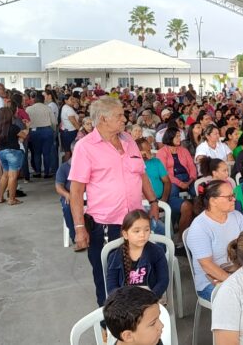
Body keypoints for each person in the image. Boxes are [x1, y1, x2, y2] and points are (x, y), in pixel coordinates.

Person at [69, 97, 161, 310]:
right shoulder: (85, 147)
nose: (124, 119)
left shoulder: (128, 140)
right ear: (103, 119)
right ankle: (108, 324)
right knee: (107, 277)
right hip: (105, 224)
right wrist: (79, 227)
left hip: (135, 222)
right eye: (119, 115)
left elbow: (142, 174)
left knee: (137, 273)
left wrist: (154, 201)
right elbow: (76, 190)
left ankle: (135, 319)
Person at [184, 180, 243, 301]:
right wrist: (235, 282)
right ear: (213, 201)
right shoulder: (200, 227)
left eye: (233, 195)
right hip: (210, 281)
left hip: (237, 272)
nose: (234, 199)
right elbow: (207, 266)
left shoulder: (237, 216)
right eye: (229, 197)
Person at [106, 209, 169, 299]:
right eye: (137, 231)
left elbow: (163, 281)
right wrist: (124, 300)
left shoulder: (157, 252)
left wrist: (151, 297)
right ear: (125, 234)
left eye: (147, 230)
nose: (142, 235)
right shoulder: (115, 256)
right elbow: (111, 287)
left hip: (151, 299)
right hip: (125, 302)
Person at [0, 106, 28, 205]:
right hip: (13, 152)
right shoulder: (14, 127)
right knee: (13, 176)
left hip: (2, 153)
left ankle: (0, 197)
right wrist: (27, 127)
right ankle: (11, 199)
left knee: (5, 175)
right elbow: (24, 136)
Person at [25, 92, 57, 178]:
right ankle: (47, 173)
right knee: (47, 153)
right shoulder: (48, 108)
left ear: (34, 100)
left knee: (36, 153)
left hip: (34, 132)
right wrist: (53, 130)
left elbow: (26, 122)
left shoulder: (28, 109)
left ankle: (38, 172)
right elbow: (54, 122)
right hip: (47, 131)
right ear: (43, 100)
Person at [60, 95, 81, 161]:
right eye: (71, 99)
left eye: (73, 99)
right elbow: (74, 122)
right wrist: (82, 130)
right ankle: (67, 168)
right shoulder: (68, 109)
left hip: (67, 132)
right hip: (70, 133)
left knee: (68, 151)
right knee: (69, 151)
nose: (73, 101)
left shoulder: (67, 107)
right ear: (66, 101)